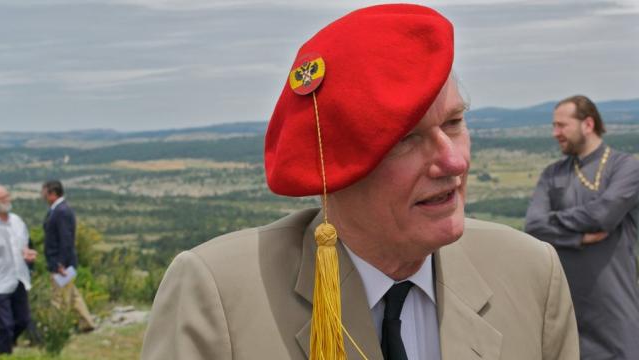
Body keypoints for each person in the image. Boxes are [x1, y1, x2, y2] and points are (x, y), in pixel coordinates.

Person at [143, 4, 579, 360]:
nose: (452, 159)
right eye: (406, 140)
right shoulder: (218, 295)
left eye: (455, 122)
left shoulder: (530, 272)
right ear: (333, 168)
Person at [525, 95, 639, 359]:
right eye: (554, 126)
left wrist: (555, 223)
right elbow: (533, 225)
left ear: (588, 124)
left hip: (614, 312)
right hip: (565, 310)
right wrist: (580, 239)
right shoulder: (552, 174)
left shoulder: (626, 168)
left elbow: (603, 216)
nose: (555, 133)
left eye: (561, 125)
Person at [41, 180, 96, 331]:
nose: (42, 195)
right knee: (72, 295)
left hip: (61, 265)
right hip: (62, 263)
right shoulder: (58, 210)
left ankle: (57, 329)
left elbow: (66, 239)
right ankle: (87, 323)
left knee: (59, 298)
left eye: (44, 192)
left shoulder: (61, 211)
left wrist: (60, 263)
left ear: (52, 193)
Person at [0, 185, 37, 354]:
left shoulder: (17, 221)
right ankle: (5, 353)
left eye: (8, 196)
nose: (8, 200)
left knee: (22, 320)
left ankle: (8, 344)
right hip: (1, 282)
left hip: (20, 278)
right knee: (5, 325)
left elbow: (26, 246)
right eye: (3, 198)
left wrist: (29, 256)